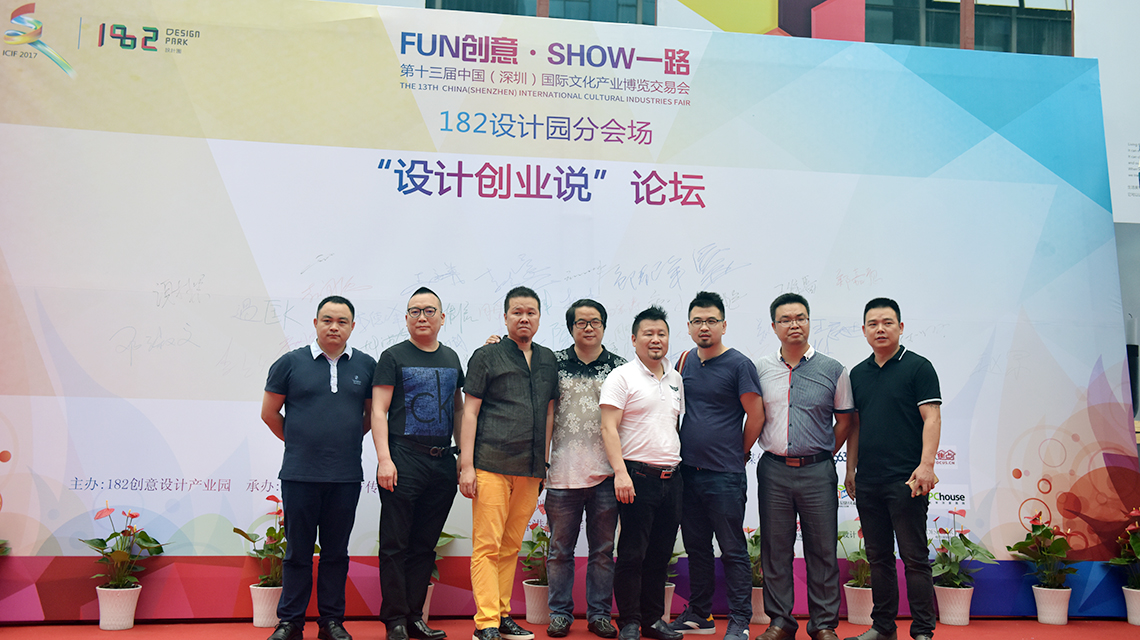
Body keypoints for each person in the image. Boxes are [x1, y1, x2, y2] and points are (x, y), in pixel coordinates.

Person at [261, 296, 376, 640]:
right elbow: (269, 413)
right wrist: (299, 442)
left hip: (345, 476)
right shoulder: (290, 363)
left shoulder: (366, 365)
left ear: (352, 327)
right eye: (327, 320)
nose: (334, 327)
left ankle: (331, 622)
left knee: (336, 553)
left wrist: (341, 441)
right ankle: (290, 623)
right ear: (315, 323)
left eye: (342, 321)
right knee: (297, 551)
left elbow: (370, 416)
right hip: (299, 474)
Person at [460, 286, 560, 640]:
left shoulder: (548, 359)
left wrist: (544, 462)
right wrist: (466, 466)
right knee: (487, 546)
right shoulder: (487, 355)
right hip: (490, 463)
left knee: (511, 546)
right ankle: (485, 622)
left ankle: (502, 615)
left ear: (539, 318)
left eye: (531, 312)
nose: (524, 318)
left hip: (531, 468)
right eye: (517, 312)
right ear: (505, 317)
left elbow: (549, 413)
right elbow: (470, 412)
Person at [753, 294, 854, 640]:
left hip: (817, 471)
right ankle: (780, 622)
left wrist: (821, 453)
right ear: (774, 326)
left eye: (800, 318)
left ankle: (823, 624)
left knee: (823, 549)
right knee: (775, 548)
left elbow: (845, 420)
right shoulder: (760, 369)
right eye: (785, 319)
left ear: (809, 322)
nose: (794, 324)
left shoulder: (834, 369)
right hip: (774, 470)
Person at [843, 298, 941, 640]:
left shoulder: (918, 367)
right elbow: (855, 426)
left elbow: (932, 418)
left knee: (914, 557)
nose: (880, 329)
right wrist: (850, 470)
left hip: (907, 480)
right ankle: (883, 627)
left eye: (887, 322)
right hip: (869, 481)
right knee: (878, 557)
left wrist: (926, 466)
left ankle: (923, 630)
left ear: (900, 327)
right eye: (873, 324)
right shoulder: (857, 374)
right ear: (864, 330)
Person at [669, 292, 764, 640]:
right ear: (689, 326)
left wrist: (739, 452)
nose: (704, 327)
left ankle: (739, 620)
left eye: (711, 320)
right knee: (697, 548)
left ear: (724, 325)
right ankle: (700, 614)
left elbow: (756, 415)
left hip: (724, 475)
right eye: (697, 321)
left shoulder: (739, 364)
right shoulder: (684, 362)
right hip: (687, 473)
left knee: (733, 549)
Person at [372, 287, 465, 640]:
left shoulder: (451, 357)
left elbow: (458, 409)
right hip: (403, 458)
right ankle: (394, 619)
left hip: (442, 463)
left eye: (429, 311)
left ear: (442, 317)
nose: (422, 317)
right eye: (415, 311)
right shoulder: (393, 356)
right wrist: (384, 459)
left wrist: (463, 455)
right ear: (407, 318)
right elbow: (378, 410)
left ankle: (414, 617)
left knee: (425, 545)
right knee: (395, 544)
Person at [599, 305, 685, 640]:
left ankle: (653, 620)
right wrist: (621, 474)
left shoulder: (675, 379)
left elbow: (672, 426)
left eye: (661, 333)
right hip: (637, 478)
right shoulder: (621, 376)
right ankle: (630, 622)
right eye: (648, 333)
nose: (655, 339)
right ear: (634, 339)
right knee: (632, 554)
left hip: (672, 479)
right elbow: (608, 428)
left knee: (660, 554)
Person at [545, 300, 626, 639]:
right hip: (562, 473)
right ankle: (560, 614)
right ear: (571, 328)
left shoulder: (620, 368)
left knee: (603, 551)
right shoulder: (553, 364)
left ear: (604, 326)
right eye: (581, 322)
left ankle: (599, 615)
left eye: (595, 322)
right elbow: (547, 412)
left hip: (606, 474)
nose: (589, 327)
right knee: (559, 550)